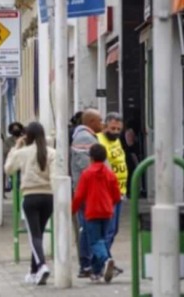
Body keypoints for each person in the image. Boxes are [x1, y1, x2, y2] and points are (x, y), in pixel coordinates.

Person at [4, 121, 55, 286]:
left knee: (35, 236)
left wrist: (16, 147)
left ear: (28, 136)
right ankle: (33, 272)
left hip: (30, 196)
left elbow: (8, 169)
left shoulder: (23, 153)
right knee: (39, 233)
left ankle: (41, 266)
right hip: (48, 197)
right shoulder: (52, 153)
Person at [72, 143, 122, 283]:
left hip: (92, 211)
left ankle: (107, 260)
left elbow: (79, 195)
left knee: (94, 241)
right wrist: (110, 204)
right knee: (103, 239)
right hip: (107, 212)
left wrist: (73, 209)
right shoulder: (110, 174)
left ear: (91, 158)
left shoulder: (86, 174)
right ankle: (96, 271)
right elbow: (117, 195)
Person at [71, 108, 103, 278]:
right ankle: (86, 263)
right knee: (87, 227)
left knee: (89, 227)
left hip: (87, 191)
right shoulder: (84, 137)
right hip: (87, 192)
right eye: (100, 120)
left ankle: (91, 262)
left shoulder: (87, 136)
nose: (102, 123)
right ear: (91, 122)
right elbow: (86, 167)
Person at [97, 112, 128, 271]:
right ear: (104, 126)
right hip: (107, 193)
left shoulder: (116, 141)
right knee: (107, 231)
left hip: (119, 192)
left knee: (113, 230)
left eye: (118, 129)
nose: (115, 132)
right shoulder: (99, 140)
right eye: (112, 128)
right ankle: (104, 263)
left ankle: (104, 262)